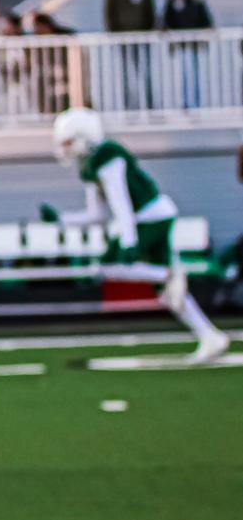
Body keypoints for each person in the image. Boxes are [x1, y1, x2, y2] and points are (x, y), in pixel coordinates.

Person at [42, 110, 229, 363]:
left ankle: (169, 273)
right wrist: (63, 220)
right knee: (167, 293)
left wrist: (129, 241)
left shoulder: (108, 156)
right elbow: (98, 214)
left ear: (82, 137)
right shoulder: (89, 166)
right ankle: (209, 335)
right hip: (150, 218)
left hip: (150, 217)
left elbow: (121, 204)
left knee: (108, 266)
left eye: (67, 142)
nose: (65, 149)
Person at [162, 0, 214, 109]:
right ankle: (184, 103)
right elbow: (166, 20)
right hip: (180, 46)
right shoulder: (173, 1)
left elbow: (207, 21)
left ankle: (196, 103)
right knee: (182, 76)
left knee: (194, 76)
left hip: (194, 45)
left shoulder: (197, 2)